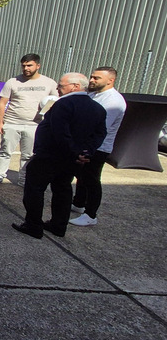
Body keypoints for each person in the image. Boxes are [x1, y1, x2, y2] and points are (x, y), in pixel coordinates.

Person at [11, 73, 106, 239]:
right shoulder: (97, 108)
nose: (57, 89)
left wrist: (75, 151)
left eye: (61, 86)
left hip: (50, 155)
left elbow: (60, 132)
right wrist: (85, 152)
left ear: (75, 86)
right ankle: (58, 225)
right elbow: (100, 134)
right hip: (72, 159)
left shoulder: (64, 104)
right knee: (63, 189)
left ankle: (33, 225)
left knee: (34, 189)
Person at [0, 54, 58, 187]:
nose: (26, 68)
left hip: (34, 124)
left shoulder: (49, 83)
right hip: (12, 122)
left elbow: (56, 101)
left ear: (38, 66)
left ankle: (24, 179)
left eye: (29, 65)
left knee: (28, 155)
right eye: (24, 65)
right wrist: (0, 122)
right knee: (5, 151)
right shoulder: (12, 82)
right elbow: (2, 102)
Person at [69, 67, 126, 227]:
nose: (92, 80)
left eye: (97, 78)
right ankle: (79, 203)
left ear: (110, 80)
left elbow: (99, 127)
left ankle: (91, 214)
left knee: (92, 180)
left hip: (98, 147)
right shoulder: (93, 94)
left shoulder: (113, 101)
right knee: (81, 176)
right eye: (92, 77)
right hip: (86, 143)